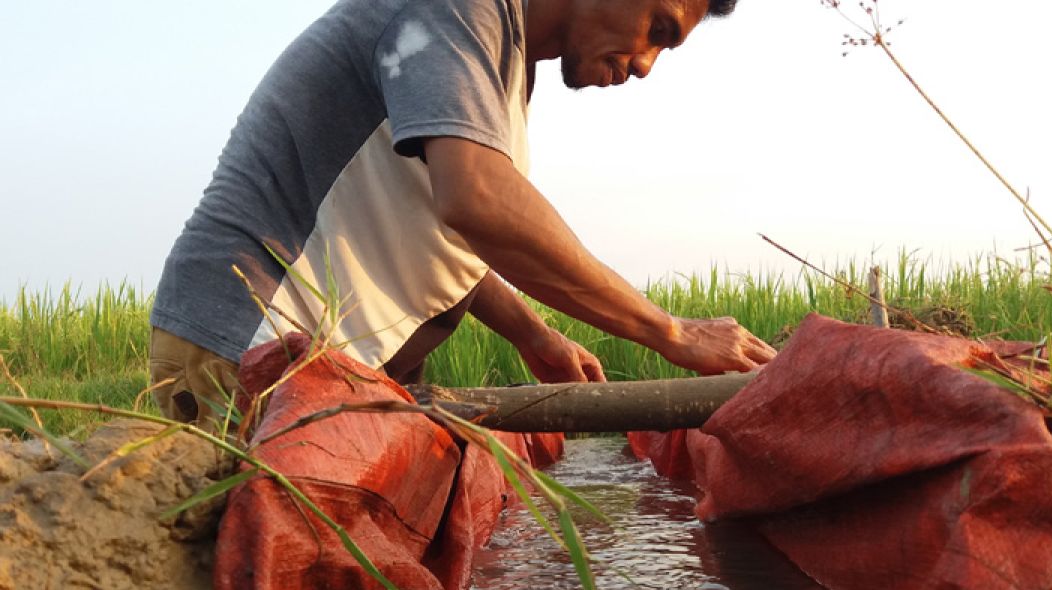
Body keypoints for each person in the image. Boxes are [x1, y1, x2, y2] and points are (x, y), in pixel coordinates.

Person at [150, 0, 775, 425]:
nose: (644, 64)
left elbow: (438, 223)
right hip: (247, 340)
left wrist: (535, 335)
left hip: (317, 361)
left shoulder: (501, 58)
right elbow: (476, 198)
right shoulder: (457, 9)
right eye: (658, 28)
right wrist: (671, 332)